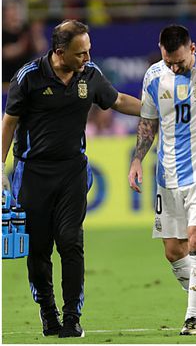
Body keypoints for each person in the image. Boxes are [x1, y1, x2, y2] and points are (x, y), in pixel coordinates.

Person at [1, 19, 141, 338]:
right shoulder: (29, 77)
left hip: (72, 171)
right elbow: (9, 122)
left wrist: (156, 110)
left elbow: (116, 100)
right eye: (81, 54)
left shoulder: (90, 75)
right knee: (38, 248)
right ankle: (48, 313)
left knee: (70, 241)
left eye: (89, 51)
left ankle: (71, 316)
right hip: (32, 173)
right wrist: (0, 167)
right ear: (60, 52)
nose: (87, 59)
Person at [128, 25, 196, 336]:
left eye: (179, 61)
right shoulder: (153, 76)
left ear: (193, 48)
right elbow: (148, 122)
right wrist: (137, 159)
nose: (174, 67)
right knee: (173, 251)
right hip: (167, 174)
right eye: (168, 61)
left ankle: (194, 317)